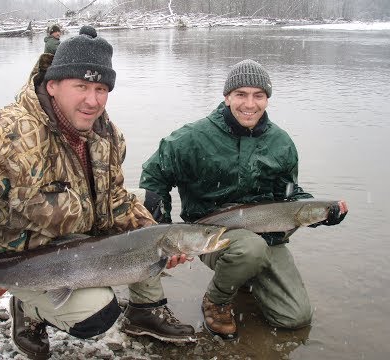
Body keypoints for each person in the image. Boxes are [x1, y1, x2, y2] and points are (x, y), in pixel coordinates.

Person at [0, 26, 193, 360]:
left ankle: (147, 308)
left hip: (71, 243)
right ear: (53, 84)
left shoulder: (107, 136)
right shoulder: (5, 135)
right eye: (82, 86)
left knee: (147, 221)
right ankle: (27, 309)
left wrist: (155, 238)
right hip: (13, 257)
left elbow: (115, 200)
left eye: (101, 88)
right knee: (97, 314)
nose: (93, 100)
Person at [139, 59, 348, 340]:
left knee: (295, 318)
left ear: (267, 99)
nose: (249, 104)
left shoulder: (281, 143)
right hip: (210, 233)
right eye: (241, 94)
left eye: (258, 96)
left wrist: (326, 214)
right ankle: (217, 300)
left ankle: (243, 276)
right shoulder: (191, 139)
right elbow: (154, 178)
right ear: (226, 97)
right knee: (249, 249)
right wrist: (165, 231)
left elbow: (289, 195)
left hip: (266, 237)